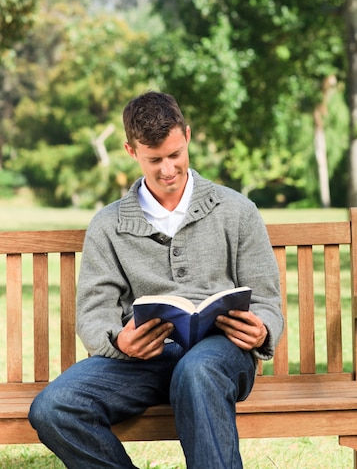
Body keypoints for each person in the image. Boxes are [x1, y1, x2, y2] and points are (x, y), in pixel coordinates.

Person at [29, 91, 284, 469]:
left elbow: (266, 300)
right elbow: (94, 313)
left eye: (175, 154)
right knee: (54, 408)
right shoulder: (108, 225)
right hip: (146, 358)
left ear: (188, 136)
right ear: (131, 151)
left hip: (220, 354)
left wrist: (261, 332)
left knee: (196, 372)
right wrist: (120, 341)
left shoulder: (238, 212)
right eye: (154, 160)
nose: (167, 169)